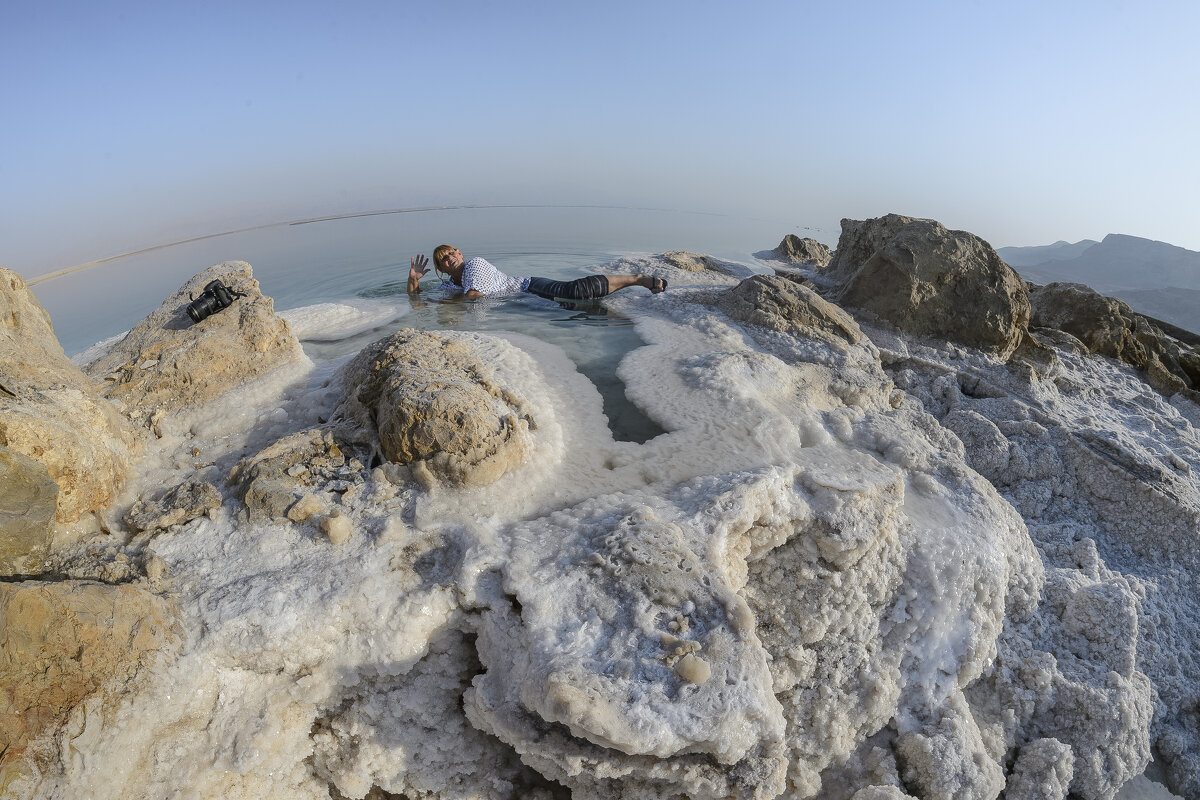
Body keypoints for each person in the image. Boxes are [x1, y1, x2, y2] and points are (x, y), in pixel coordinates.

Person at [407, 246, 667, 301]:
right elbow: (416, 301)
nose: (450, 258)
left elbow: (474, 296)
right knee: (575, 308)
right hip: (522, 303)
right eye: (444, 260)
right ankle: (632, 284)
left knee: (574, 292)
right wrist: (413, 281)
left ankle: (639, 279)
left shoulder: (475, 264)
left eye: (451, 253)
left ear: (460, 253)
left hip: (528, 287)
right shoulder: (449, 286)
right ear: (440, 269)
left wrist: (449, 304)